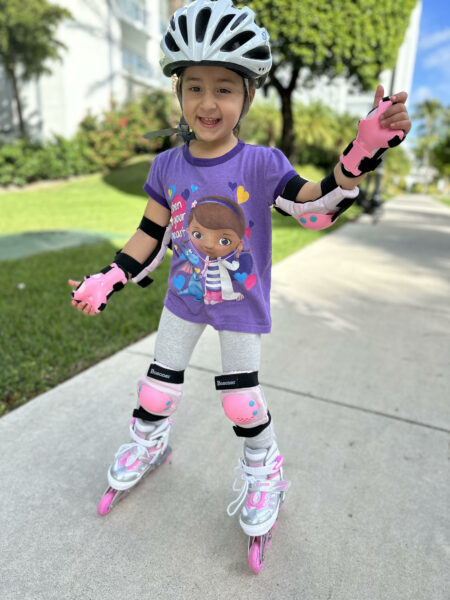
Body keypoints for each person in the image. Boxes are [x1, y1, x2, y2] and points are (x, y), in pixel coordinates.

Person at [69, 0, 411, 571]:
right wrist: (111, 276)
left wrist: (360, 154)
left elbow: (315, 207)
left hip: (238, 306)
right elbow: (150, 234)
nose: (208, 103)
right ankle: (149, 441)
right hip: (182, 298)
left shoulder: (261, 164)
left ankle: (265, 467)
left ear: (247, 96)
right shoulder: (167, 167)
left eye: (224, 88)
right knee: (156, 389)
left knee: (241, 399)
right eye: (195, 87)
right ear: (178, 93)